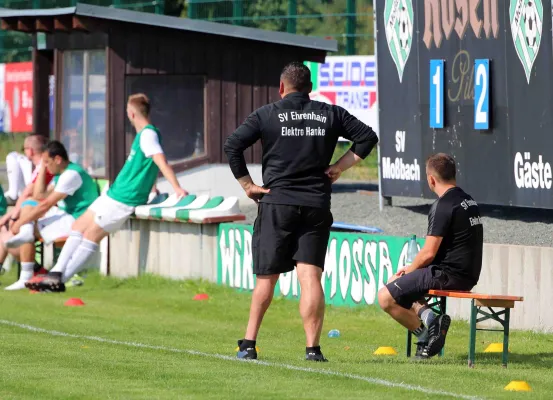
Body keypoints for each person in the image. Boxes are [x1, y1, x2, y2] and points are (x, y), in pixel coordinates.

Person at [223, 61, 378, 362]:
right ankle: (312, 349)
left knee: (267, 278)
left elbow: (233, 146)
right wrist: (339, 167)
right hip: (316, 204)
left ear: (282, 87)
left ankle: (249, 344)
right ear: (310, 89)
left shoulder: (267, 114)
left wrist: (248, 185)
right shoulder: (329, 113)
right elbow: (368, 137)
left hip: (277, 203)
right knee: (310, 277)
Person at [26, 93, 189, 292]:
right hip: (114, 193)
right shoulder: (146, 135)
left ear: (131, 113)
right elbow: (148, 166)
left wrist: (177, 188)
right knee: (79, 226)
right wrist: (152, 186)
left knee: (91, 235)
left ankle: (59, 280)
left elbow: (160, 161)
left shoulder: (148, 134)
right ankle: (56, 272)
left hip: (123, 199)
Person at [377, 153, 484, 359]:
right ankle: (430, 321)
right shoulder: (469, 201)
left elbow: (428, 253)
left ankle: (426, 333)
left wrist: (409, 268)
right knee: (399, 284)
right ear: (454, 175)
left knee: (385, 296)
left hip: (446, 274)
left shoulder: (443, 205)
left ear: (431, 179)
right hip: (467, 275)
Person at [3, 141, 99, 290]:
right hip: (67, 214)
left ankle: (27, 276)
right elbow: (39, 196)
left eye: (47, 162)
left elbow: (45, 204)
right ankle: (27, 271)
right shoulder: (61, 174)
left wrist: (20, 222)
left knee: (26, 225)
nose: (46, 166)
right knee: (28, 203)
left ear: (58, 159)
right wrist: (42, 168)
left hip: (79, 219)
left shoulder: (71, 175)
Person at [0, 134, 53, 276]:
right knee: (6, 232)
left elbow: (30, 195)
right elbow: (28, 194)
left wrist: (12, 216)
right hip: (37, 212)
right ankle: (34, 270)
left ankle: (35, 270)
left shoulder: (44, 167)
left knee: (7, 236)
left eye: (24, 149)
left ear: (29, 151)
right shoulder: (40, 167)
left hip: (45, 215)